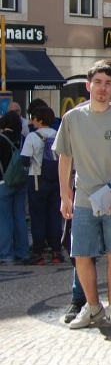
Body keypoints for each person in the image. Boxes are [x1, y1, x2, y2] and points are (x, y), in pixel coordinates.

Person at [55, 61, 111, 330]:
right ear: (89, 86)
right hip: (84, 198)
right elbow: (65, 158)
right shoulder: (72, 118)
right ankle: (92, 307)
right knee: (82, 254)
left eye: (108, 83)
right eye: (98, 82)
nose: (103, 88)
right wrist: (64, 195)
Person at [22, 105, 62, 265]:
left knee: (37, 217)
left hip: (37, 179)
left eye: (33, 118)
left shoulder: (32, 137)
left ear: (38, 120)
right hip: (56, 180)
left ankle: (38, 253)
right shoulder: (58, 134)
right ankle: (56, 252)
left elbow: (24, 160)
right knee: (54, 216)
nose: (32, 121)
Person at [0, 110, 28, 264]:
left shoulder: (1, 139)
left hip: (4, 182)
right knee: (19, 216)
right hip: (21, 182)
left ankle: (6, 253)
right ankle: (22, 251)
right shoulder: (23, 138)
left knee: (4, 218)